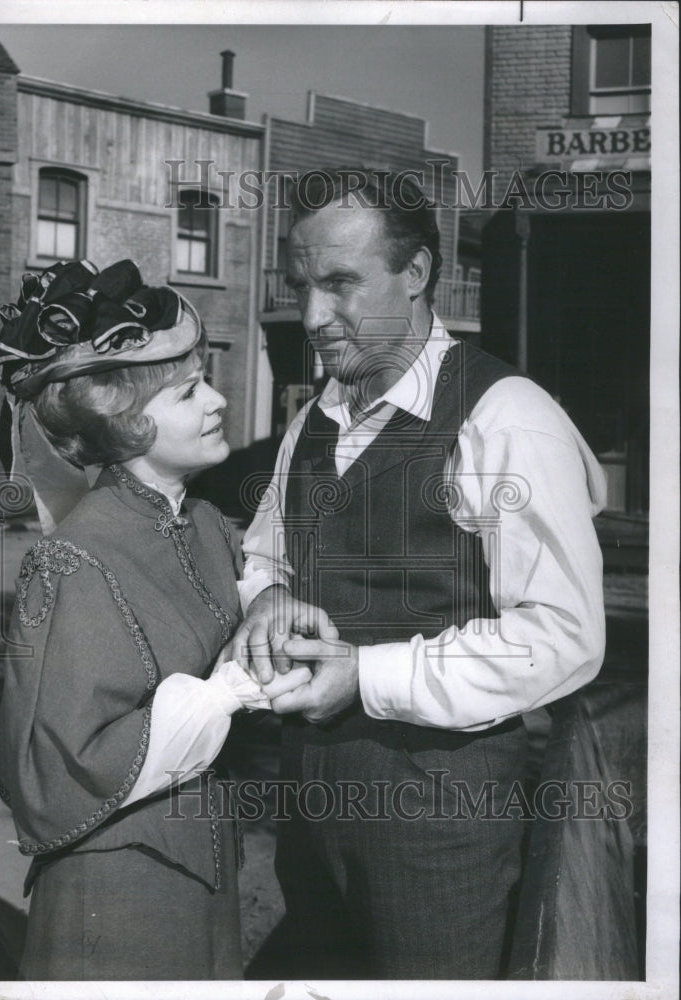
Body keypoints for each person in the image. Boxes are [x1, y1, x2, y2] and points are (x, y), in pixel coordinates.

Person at [231, 168, 607, 979]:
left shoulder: (508, 418)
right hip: (311, 803)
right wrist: (265, 594)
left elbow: (563, 637)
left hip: (441, 825)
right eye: (301, 285)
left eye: (340, 284)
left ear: (417, 274)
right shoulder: (313, 417)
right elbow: (264, 550)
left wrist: (364, 676)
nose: (310, 317)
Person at [0, 258, 308, 980]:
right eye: (189, 391)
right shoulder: (71, 560)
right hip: (117, 883)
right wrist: (228, 689)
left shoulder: (200, 521)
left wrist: (269, 596)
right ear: (121, 420)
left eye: (207, 382)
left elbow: (253, 576)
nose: (217, 403)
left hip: (199, 860)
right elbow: (52, 771)